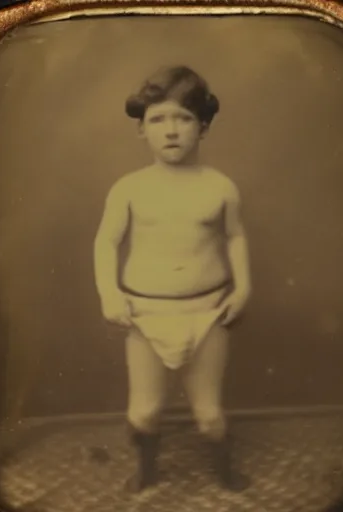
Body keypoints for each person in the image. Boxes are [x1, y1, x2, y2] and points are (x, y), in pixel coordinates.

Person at [94, 65, 252, 493]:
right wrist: (110, 292)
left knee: (210, 415)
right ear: (141, 130)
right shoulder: (128, 188)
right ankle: (146, 468)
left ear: (202, 126)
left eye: (183, 119)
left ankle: (224, 470)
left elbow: (235, 236)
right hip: (147, 314)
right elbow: (106, 243)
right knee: (144, 412)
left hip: (208, 310)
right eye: (158, 119)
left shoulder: (220, 187)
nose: (171, 131)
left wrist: (243, 287)